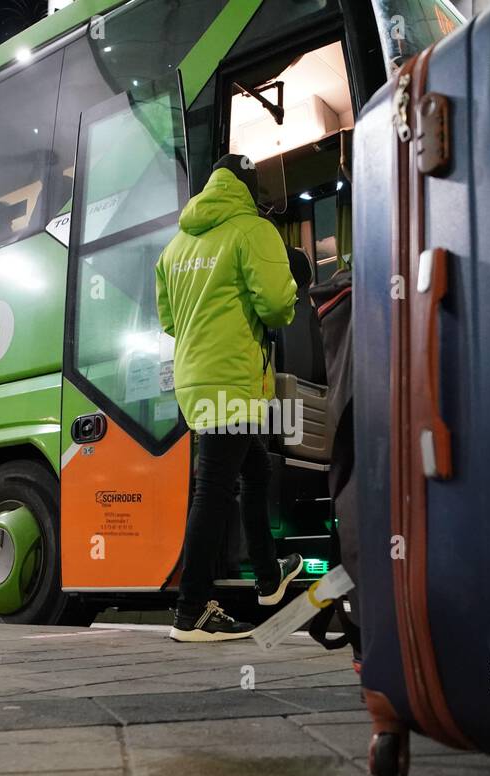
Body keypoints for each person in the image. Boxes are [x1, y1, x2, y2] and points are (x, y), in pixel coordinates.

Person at [156, 154, 304, 642]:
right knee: (214, 488)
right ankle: (192, 610)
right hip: (233, 379)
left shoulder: (176, 246)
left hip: (193, 379)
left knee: (253, 470)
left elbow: (170, 321)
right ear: (249, 188)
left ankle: (267, 576)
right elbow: (279, 306)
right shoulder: (252, 230)